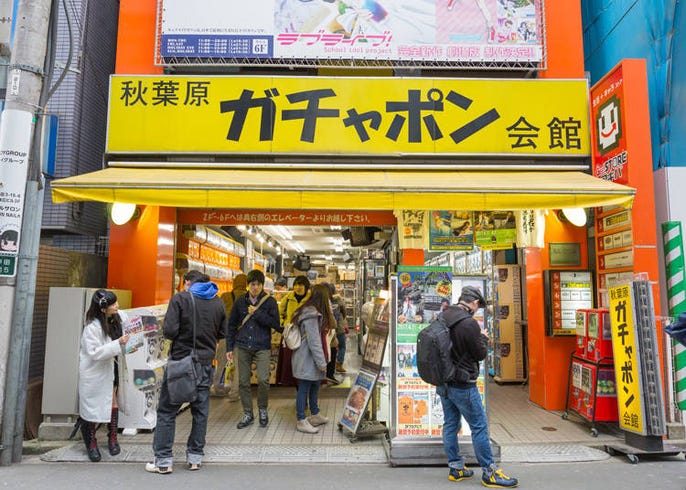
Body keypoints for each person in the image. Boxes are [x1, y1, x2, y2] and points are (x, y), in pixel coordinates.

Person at [146, 270, 227, 474]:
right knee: (200, 412)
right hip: (206, 363)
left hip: (182, 363)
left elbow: (171, 331)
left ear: (188, 283)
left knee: (167, 410)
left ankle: (163, 461)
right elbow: (222, 332)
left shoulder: (181, 299)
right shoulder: (218, 302)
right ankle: (195, 458)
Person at [437, 286, 518, 488]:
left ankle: (456, 468)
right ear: (473, 303)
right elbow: (480, 354)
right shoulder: (469, 324)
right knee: (479, 426)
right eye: (477, 306)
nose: (477, 309)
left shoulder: (444, 315)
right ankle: (489, 472)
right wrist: (483, 336)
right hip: (463, 385)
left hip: (444, 381)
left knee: (450, 424)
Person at [78, 289, 130, 462]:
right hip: (95, 372)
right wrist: (118, 343)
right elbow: (94, 353)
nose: (117, 306)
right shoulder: (92, 328)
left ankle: (112, 438)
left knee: (112, 401)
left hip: (112, 368)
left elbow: (130, 325)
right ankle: (91, 442)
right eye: (113, 304)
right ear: (102, 309)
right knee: (92, 407)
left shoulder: (117, 318)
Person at [227, 269, 281, 429]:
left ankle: (263, 410)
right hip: (242, 345)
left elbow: (276, 324)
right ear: (248, 285)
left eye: (258, 284)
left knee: (263, 380)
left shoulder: (269, 302)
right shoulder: (239, 302)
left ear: (262, 285)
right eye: (252, 284)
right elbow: (231, 325)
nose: (255, 287)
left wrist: (257, 314)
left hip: (262, 345)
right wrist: (229, 347)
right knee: (243, 381)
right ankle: (248, 413)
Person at [290, 283, 336, 434]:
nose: (330, 301)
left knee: (315, 384)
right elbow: (314, 341)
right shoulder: (311, 315)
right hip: (306, 358)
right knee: (304, 387)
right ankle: (301, 420)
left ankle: (315, 414)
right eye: (328, 298)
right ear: (323, 298)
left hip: (310, 358)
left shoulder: (314, 311)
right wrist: (322, 362)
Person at [211, 273, 247, 400]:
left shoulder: (225, 296)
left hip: (225, 335)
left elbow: (217, 315)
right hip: (242, 336)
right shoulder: (248, 297)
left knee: (222, 362)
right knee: (238, 364)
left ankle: (219, 388)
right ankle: (235, 392)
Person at [276, 275, 310, 386]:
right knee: (289, 360)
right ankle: (292, 382)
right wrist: (283, 324)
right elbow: (280, 312)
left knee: (302, 361)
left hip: (305, 334)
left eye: (300, 285)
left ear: (306, 286)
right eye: (295, 284)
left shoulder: (310, 299)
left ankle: (301, 384)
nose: (298, 287)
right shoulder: (288, 297)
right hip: (290, 333)